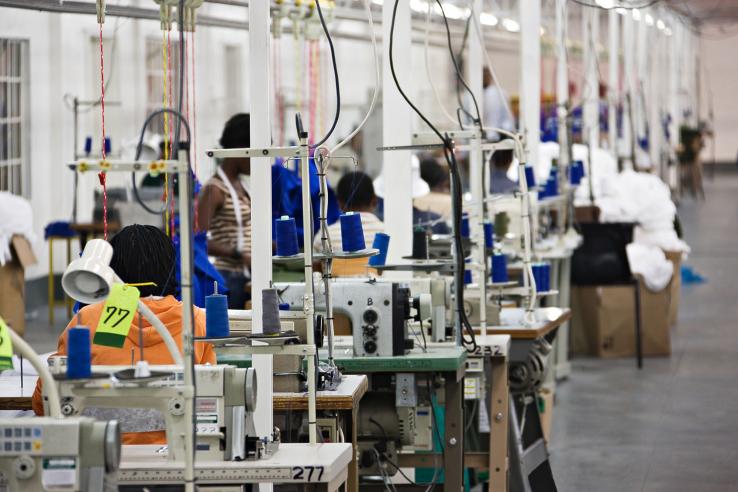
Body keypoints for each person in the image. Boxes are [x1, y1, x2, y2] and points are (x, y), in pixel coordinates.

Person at [32, 225, 216, 444]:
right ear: (170, 268)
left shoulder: (87, 320)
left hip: (99, 457)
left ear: (112, 269)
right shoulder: (196, 322)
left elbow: (45, 401)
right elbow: (210, 395)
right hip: (175, 458)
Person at [197, 113, 252, 309]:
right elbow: (198, 241)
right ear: (240, 151)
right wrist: (238, 253)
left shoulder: (240, 186)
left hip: (242, 275)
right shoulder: (215, 190)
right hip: (225, 277)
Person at [315, 171, 385, 252]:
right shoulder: (388, 233)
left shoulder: (324, 237)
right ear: (375, 201)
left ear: (339, 204)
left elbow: (315, 263)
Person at [483, 67, 514, 141]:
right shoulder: (469, 96)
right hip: (479, 139)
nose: (484, 77)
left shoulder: (500, 93)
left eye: (486, 75)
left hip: (499, 138)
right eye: (483, 75)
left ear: (490, 76)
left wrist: (504, 131)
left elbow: (508, 117)